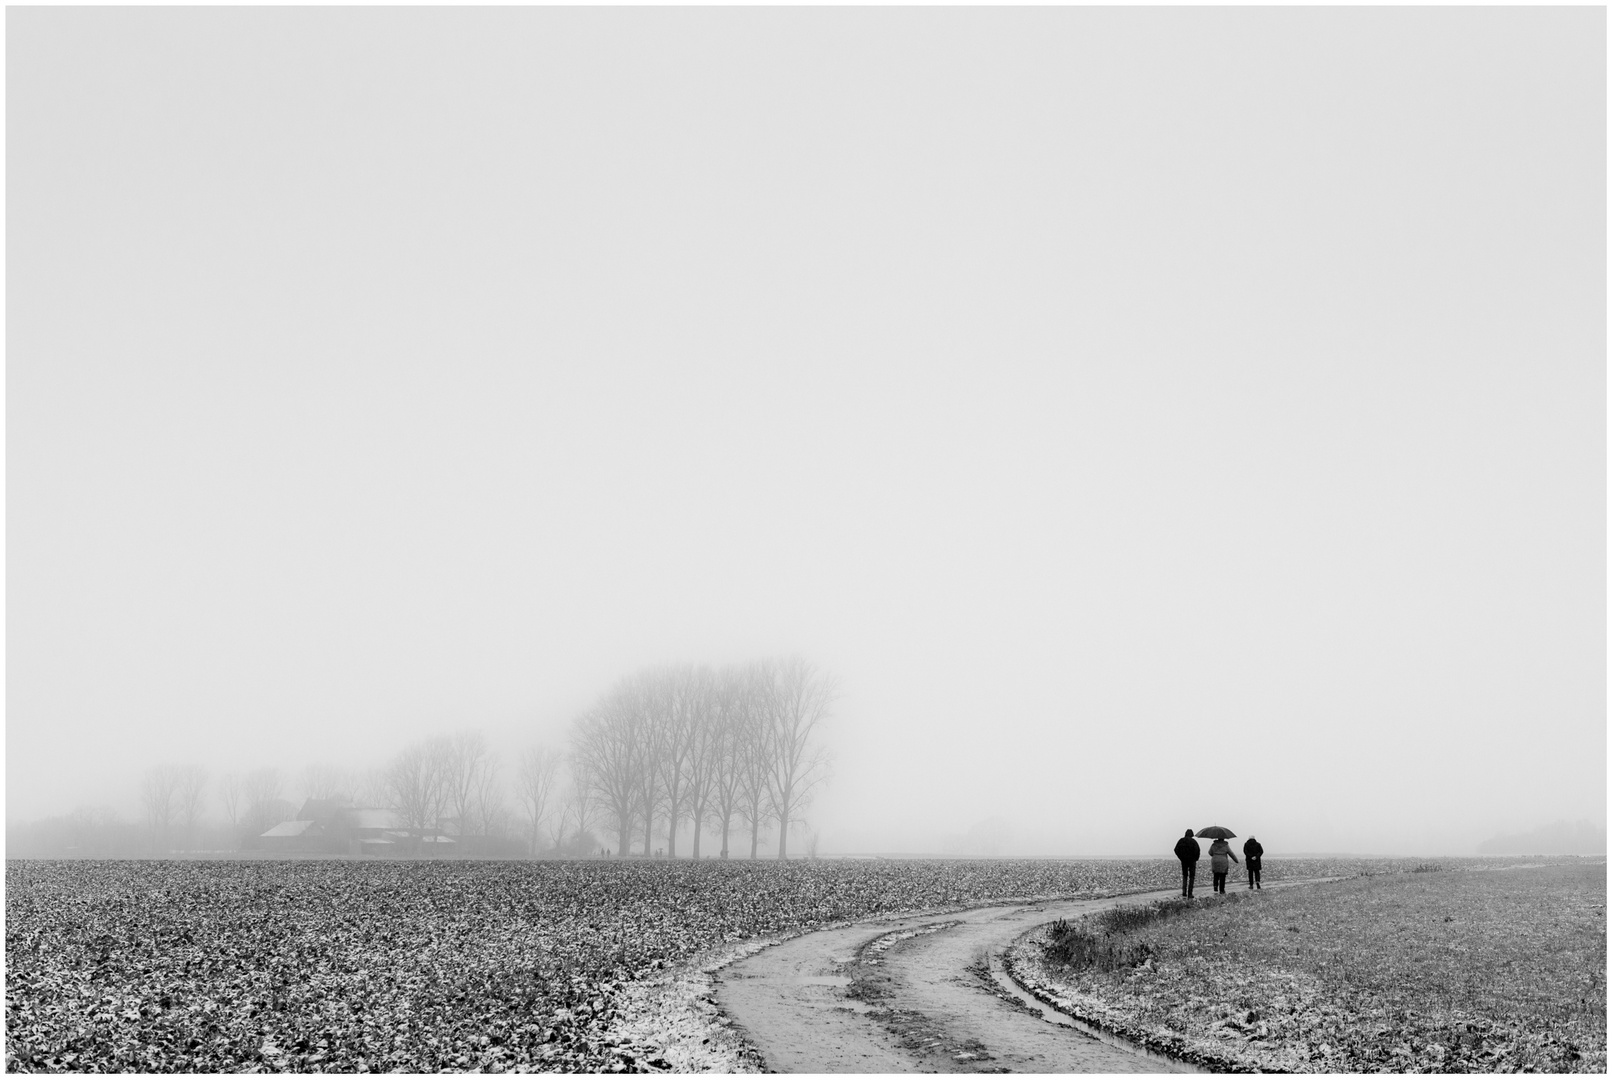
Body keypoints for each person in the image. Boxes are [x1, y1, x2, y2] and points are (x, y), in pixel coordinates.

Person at [1173, 829, 1201, 898]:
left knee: (1185, 876)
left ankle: (1184, 892)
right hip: (1192, 861)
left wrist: (1181, 857)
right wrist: (1196, 858)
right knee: (1192, 877)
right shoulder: (1194, 842)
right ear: (1192, 835)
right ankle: (1190, 893)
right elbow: (1198, 850)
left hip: (1184, 861)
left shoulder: (1181, 841)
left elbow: (1176, 849)